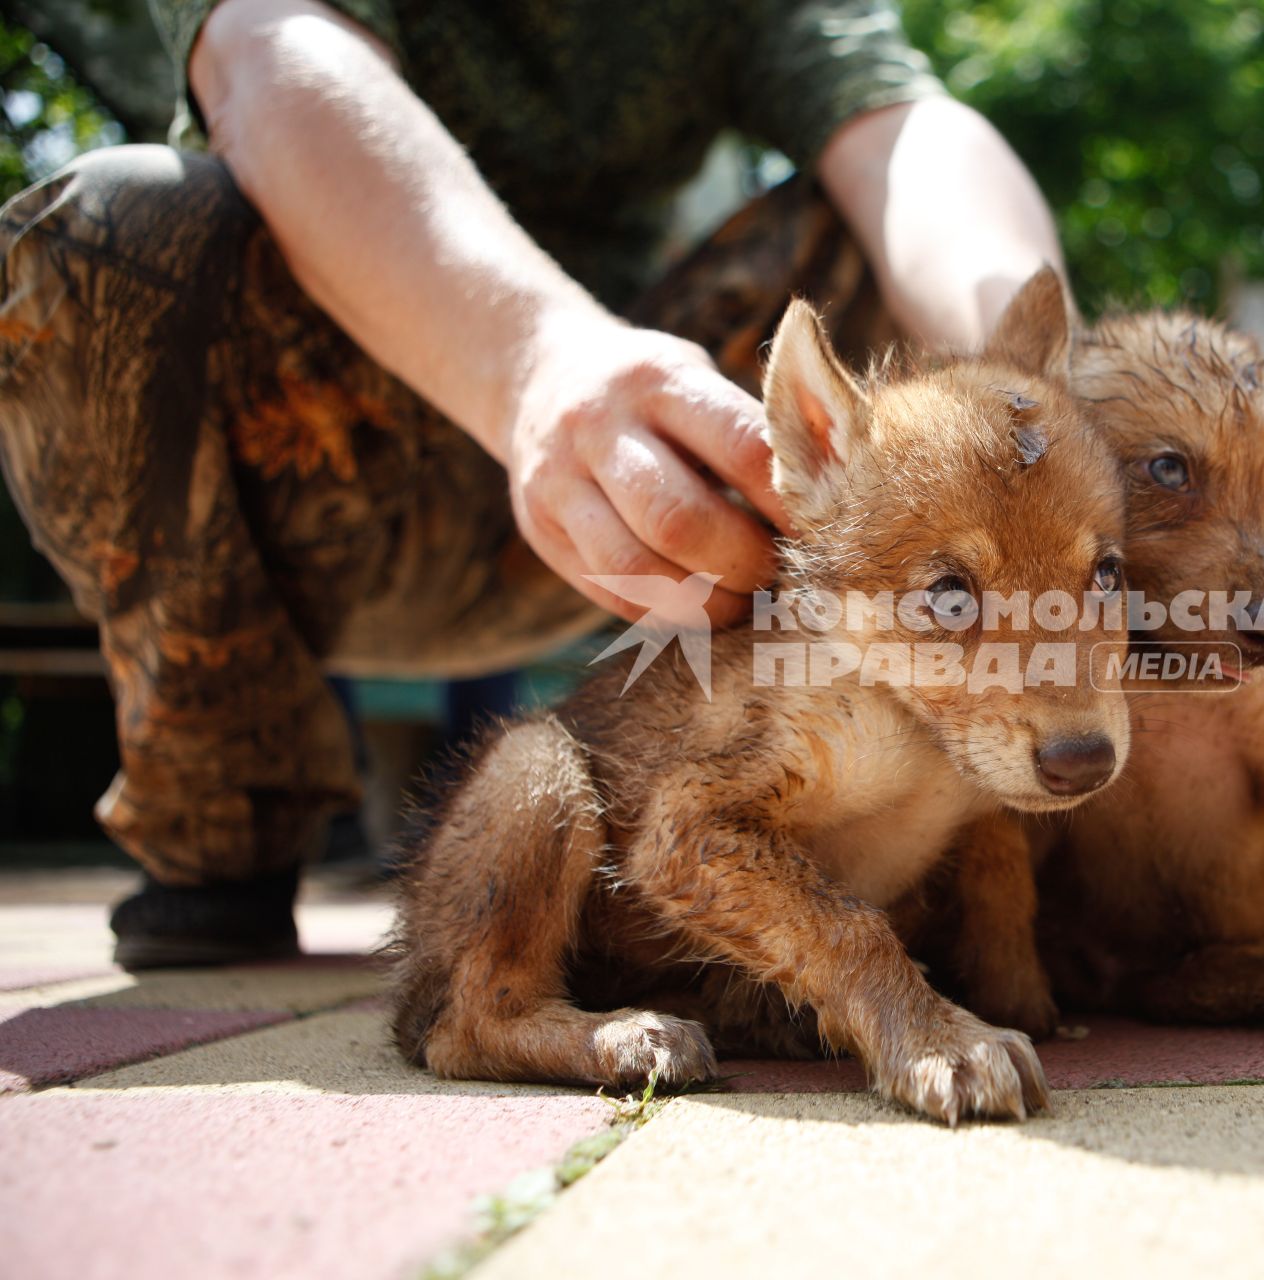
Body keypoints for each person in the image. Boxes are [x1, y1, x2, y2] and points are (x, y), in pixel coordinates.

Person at [0, 0, 1063, 967]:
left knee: (863, 239)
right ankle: (223, 798)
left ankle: (894, 813)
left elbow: (904, 135)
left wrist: (1049, 415)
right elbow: (268, 57)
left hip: (647, 508)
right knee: (111, 224)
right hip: (303, 496)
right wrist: (534, 363)